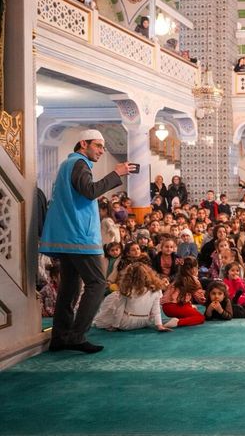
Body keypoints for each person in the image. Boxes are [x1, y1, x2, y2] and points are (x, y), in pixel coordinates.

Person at [40, 129, 130, 353]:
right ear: (83, 144)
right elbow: (90, 191)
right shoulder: (79, 163)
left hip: (68, 235)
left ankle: (60, 337)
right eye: (98, 146)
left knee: (69, 287)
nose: (101, 150)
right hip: (78, 236)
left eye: (103, 147)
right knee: (97, 283)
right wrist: (116, 173)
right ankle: (76, 336)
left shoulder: (68, 164)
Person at [93, 262, 177, 331]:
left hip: (126, 324)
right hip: (146, 322)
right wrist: (159, 325)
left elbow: (119, 309)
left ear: (129, 276)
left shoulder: (127, 290)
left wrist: (115, 325)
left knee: (114, 296)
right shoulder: (156, 289)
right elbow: (156, 309)